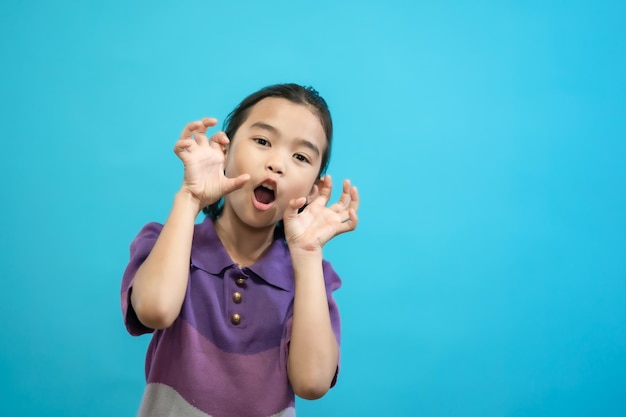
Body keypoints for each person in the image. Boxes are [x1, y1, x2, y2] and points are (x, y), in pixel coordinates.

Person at [120, 83, 359, 417]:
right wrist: (189, 199)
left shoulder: (312, 279)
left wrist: (306, 257)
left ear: (314, 188)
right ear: (225, 150)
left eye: (301, 157)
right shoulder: (167, 242)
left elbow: (312, 383)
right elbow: (154, 310)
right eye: (262, 141)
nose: (277, 164)